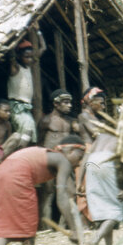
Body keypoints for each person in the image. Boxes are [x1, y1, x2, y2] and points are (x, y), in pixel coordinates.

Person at [39, 89, 82, 221]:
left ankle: (65, 225)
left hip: (65, 161)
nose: (69, 105)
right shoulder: (46, 121)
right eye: (65, 102)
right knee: (48, 192)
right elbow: (40, 141)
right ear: (56, 104)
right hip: (50, 159)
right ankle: (46, 225)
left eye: (70, 102)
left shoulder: (70, 122)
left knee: (69, 191)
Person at [81, 132, 123, 245]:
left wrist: (80, 182)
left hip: (92, 162)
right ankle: (95, 240)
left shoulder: (99, 138)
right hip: (109, 161)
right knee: (116, 210)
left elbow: (85, 159)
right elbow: (122, 162)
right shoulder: (120, 135)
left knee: (104, 210)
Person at [6, 36, 45, 148]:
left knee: (28, 132)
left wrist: (38, 32)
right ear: (19, 56)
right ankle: (21, 151)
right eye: (26, 57)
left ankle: (23, 151)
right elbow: (11, 55)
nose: (29, 59)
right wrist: (16, 37)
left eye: (31, 57)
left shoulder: (28, 67)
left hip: (26, 108)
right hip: (17, 107)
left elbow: (43, 48)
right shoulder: (15, 68)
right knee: (27, 130)